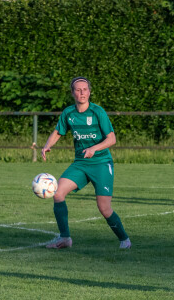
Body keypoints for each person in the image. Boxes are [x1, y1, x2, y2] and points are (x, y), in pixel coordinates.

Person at [41, 77, 131, 249]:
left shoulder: (98, 112)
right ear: (72, 92)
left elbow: (112, 139)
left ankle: (125, 240)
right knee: (58, 193)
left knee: (104, 208)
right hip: (80, 163)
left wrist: (94, 149)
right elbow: (58, 132)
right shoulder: (68, 113)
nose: (81, 93)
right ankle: (65, 238)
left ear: (89, 92)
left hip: (101, 163)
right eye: (78, 90)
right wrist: (47, 145)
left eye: (85, 89)